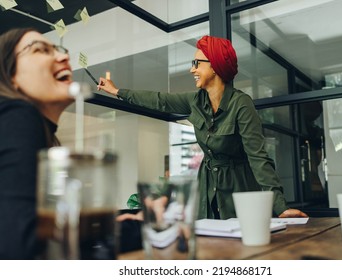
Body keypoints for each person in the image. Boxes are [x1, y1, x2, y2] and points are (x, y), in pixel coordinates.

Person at [98, 35, 307, 220]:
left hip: (239, 191)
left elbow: (258, 157)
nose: (192, 69)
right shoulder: (195, 101)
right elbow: (158, 100)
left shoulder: (241, 104)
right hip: (207, 189)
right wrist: (117, 91)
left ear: (215, 65)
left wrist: (280, 207)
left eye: (197, 63)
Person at [0, 28, 74, 259]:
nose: (64, 58)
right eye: (41, 50)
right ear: (10, 75)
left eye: (59, 50)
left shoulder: (30, 128)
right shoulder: (18, 115)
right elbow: (22, 247)